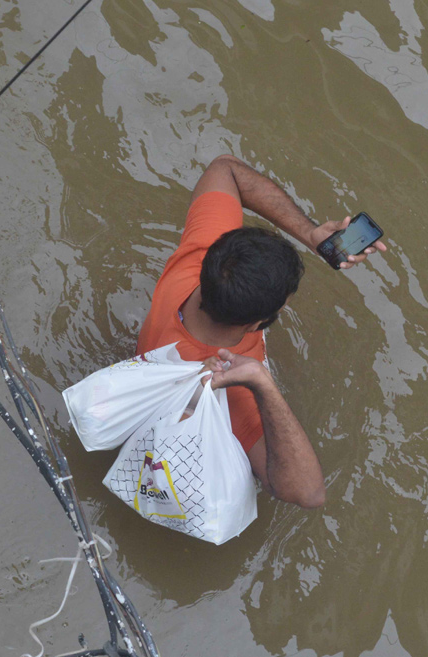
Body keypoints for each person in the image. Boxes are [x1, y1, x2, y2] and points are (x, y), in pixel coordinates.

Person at [135, 154, 386, 509]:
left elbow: (225, 169)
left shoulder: (198, 259)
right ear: (255, 325)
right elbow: (308, 494)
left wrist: (312, 235)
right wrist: (261, 382)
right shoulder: (230, 391)